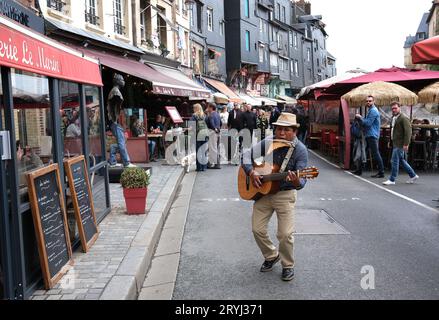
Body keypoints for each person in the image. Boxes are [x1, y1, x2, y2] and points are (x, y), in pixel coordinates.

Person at [242, 113, 308, 282]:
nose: (281, 133)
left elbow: (301, 182)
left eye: (286, 130)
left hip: (285, 194)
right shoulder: (269, 141)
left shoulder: (300, 150)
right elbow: (246, 155)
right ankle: (271, 255)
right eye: (279, 129)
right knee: (257, 229)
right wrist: (252, 171)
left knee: (285, 234)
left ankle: (288, 265)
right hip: (263, 193)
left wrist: (296, 180)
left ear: (294, 132)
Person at [382, 102, 419, 186]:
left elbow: (408, 132)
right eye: (392, 108)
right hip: (395, 143)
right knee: (401, 161)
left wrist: (406, 144)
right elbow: (393, 131)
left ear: (399, 108)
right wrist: (390, 141)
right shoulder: (394, 118)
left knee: (394, 161)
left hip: (400, 143)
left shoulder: (403, 118)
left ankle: (392, 179)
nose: (394, 110)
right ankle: (413, 175)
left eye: (395, 108)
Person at [107, 73, 135, 168]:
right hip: (114, 122)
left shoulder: (115, 91)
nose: (123, 81)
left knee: (120, 142)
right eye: (122, 80)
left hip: (114, 121)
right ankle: (126, 162)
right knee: (121, 142)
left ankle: (112, 160)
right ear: (118, 81)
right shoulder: (116, 92)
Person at [355, 96, 385, 178]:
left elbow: (367, 123)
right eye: (367, 101)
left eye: (370, 101)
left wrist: (360, 117)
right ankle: (359, 170)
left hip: (372, 135)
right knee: (364, 151)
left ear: (374, 101)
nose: (368, 102)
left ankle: (381, 172)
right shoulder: (371, 110)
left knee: (375, 153)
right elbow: (366, 123)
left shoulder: (373, 111)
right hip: (369, 134)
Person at [191, 103, 208, 172]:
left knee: (198, 151)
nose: (193, 109)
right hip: (205, 134)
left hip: (198, 135)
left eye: (194, 108)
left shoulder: (194, 116)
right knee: (204, 151)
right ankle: (204, 167)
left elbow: (191, 125)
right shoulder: (204, 115)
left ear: (196, 108)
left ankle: (199, 168)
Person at [206, 103, 221, 169]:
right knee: (215, 148)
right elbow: (220, 123)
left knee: (212, 148)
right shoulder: (217, 114)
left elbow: (212, 124)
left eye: (208, 107)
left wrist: (214, 129)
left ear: (211, 108)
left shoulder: (211, 115)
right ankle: (211, 162)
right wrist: (218, 129)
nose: (207, 108)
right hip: (217, 132)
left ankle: (216, 164)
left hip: (212, 132)